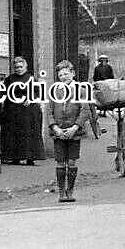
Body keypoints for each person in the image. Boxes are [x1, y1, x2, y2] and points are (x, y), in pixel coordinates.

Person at [45, 59, 91, 202]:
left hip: (74, 133)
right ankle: (61, 192)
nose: (63, 77)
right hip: (58, 133)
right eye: (60, 75)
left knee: (71, 162)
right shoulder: (54, 91)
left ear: (73, 73)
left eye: (66, 74)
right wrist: (55, 128)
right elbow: (49, 111)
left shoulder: (81, 90)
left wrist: (75, 127)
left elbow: (85, 110)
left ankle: (70, 191)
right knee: (60, 162)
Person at [0, 56, 43, 166]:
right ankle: (14, 157)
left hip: (28, 111)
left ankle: (30, 157)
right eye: (16, 67)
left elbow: (38, 92)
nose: (18, 69)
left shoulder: (31, 78)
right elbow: (3, 93)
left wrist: (31, 98)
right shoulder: (9, 79)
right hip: (13, 111)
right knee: (14, 134)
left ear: (25, 66)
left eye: (20, 67)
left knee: (28, 134)